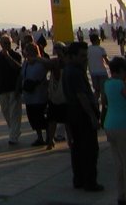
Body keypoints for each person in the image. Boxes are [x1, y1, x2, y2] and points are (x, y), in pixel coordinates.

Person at [64, 41, 102, 192]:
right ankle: (89, 182)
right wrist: (92, 116)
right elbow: (82, 96)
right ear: (72, 56)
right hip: (81, 115)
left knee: (78, 148)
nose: (84, 58)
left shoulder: (69, 70)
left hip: (73, 113)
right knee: (89, 150)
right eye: (81, 56)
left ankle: (79, 179)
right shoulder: (75, 72)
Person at [0, 34, 23, 145]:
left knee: (15, 113)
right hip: (2, 89)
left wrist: (8, 57)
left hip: (14, 88)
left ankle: (13, 137)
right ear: (0, 44)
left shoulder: (16, 55)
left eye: (9, 43)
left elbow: (19, 69)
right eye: (5, 43)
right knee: (5, 111)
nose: (7, 45)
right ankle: (14, 130)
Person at [103, 56, 126, 205]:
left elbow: (105, 103)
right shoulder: (121, 84)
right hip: (122, 125)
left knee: (119, 163)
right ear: (121, 70)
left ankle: (121, 196)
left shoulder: (107, 83)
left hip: (109, 124)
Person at [19, 40, 51, 147]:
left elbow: (50, 64)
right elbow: (21, 76)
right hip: (29, 96)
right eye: (27, 52)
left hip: (40, 95)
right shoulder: (25, 63)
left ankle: (49, 137)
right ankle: (39, 137)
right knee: (33, 118)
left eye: (31, 51)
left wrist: (37, 58)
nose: (28, 54)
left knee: (43, 117)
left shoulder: (42, 62)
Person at [89, 32, 110, 113]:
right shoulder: (101, 49)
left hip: (93, 73)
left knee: (96, 91)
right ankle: (104, 109)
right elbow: (107, 61)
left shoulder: (88, 49)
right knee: (103, 92)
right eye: (98, 39)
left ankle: (94, 106)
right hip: (102, 72)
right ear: (96, 40)